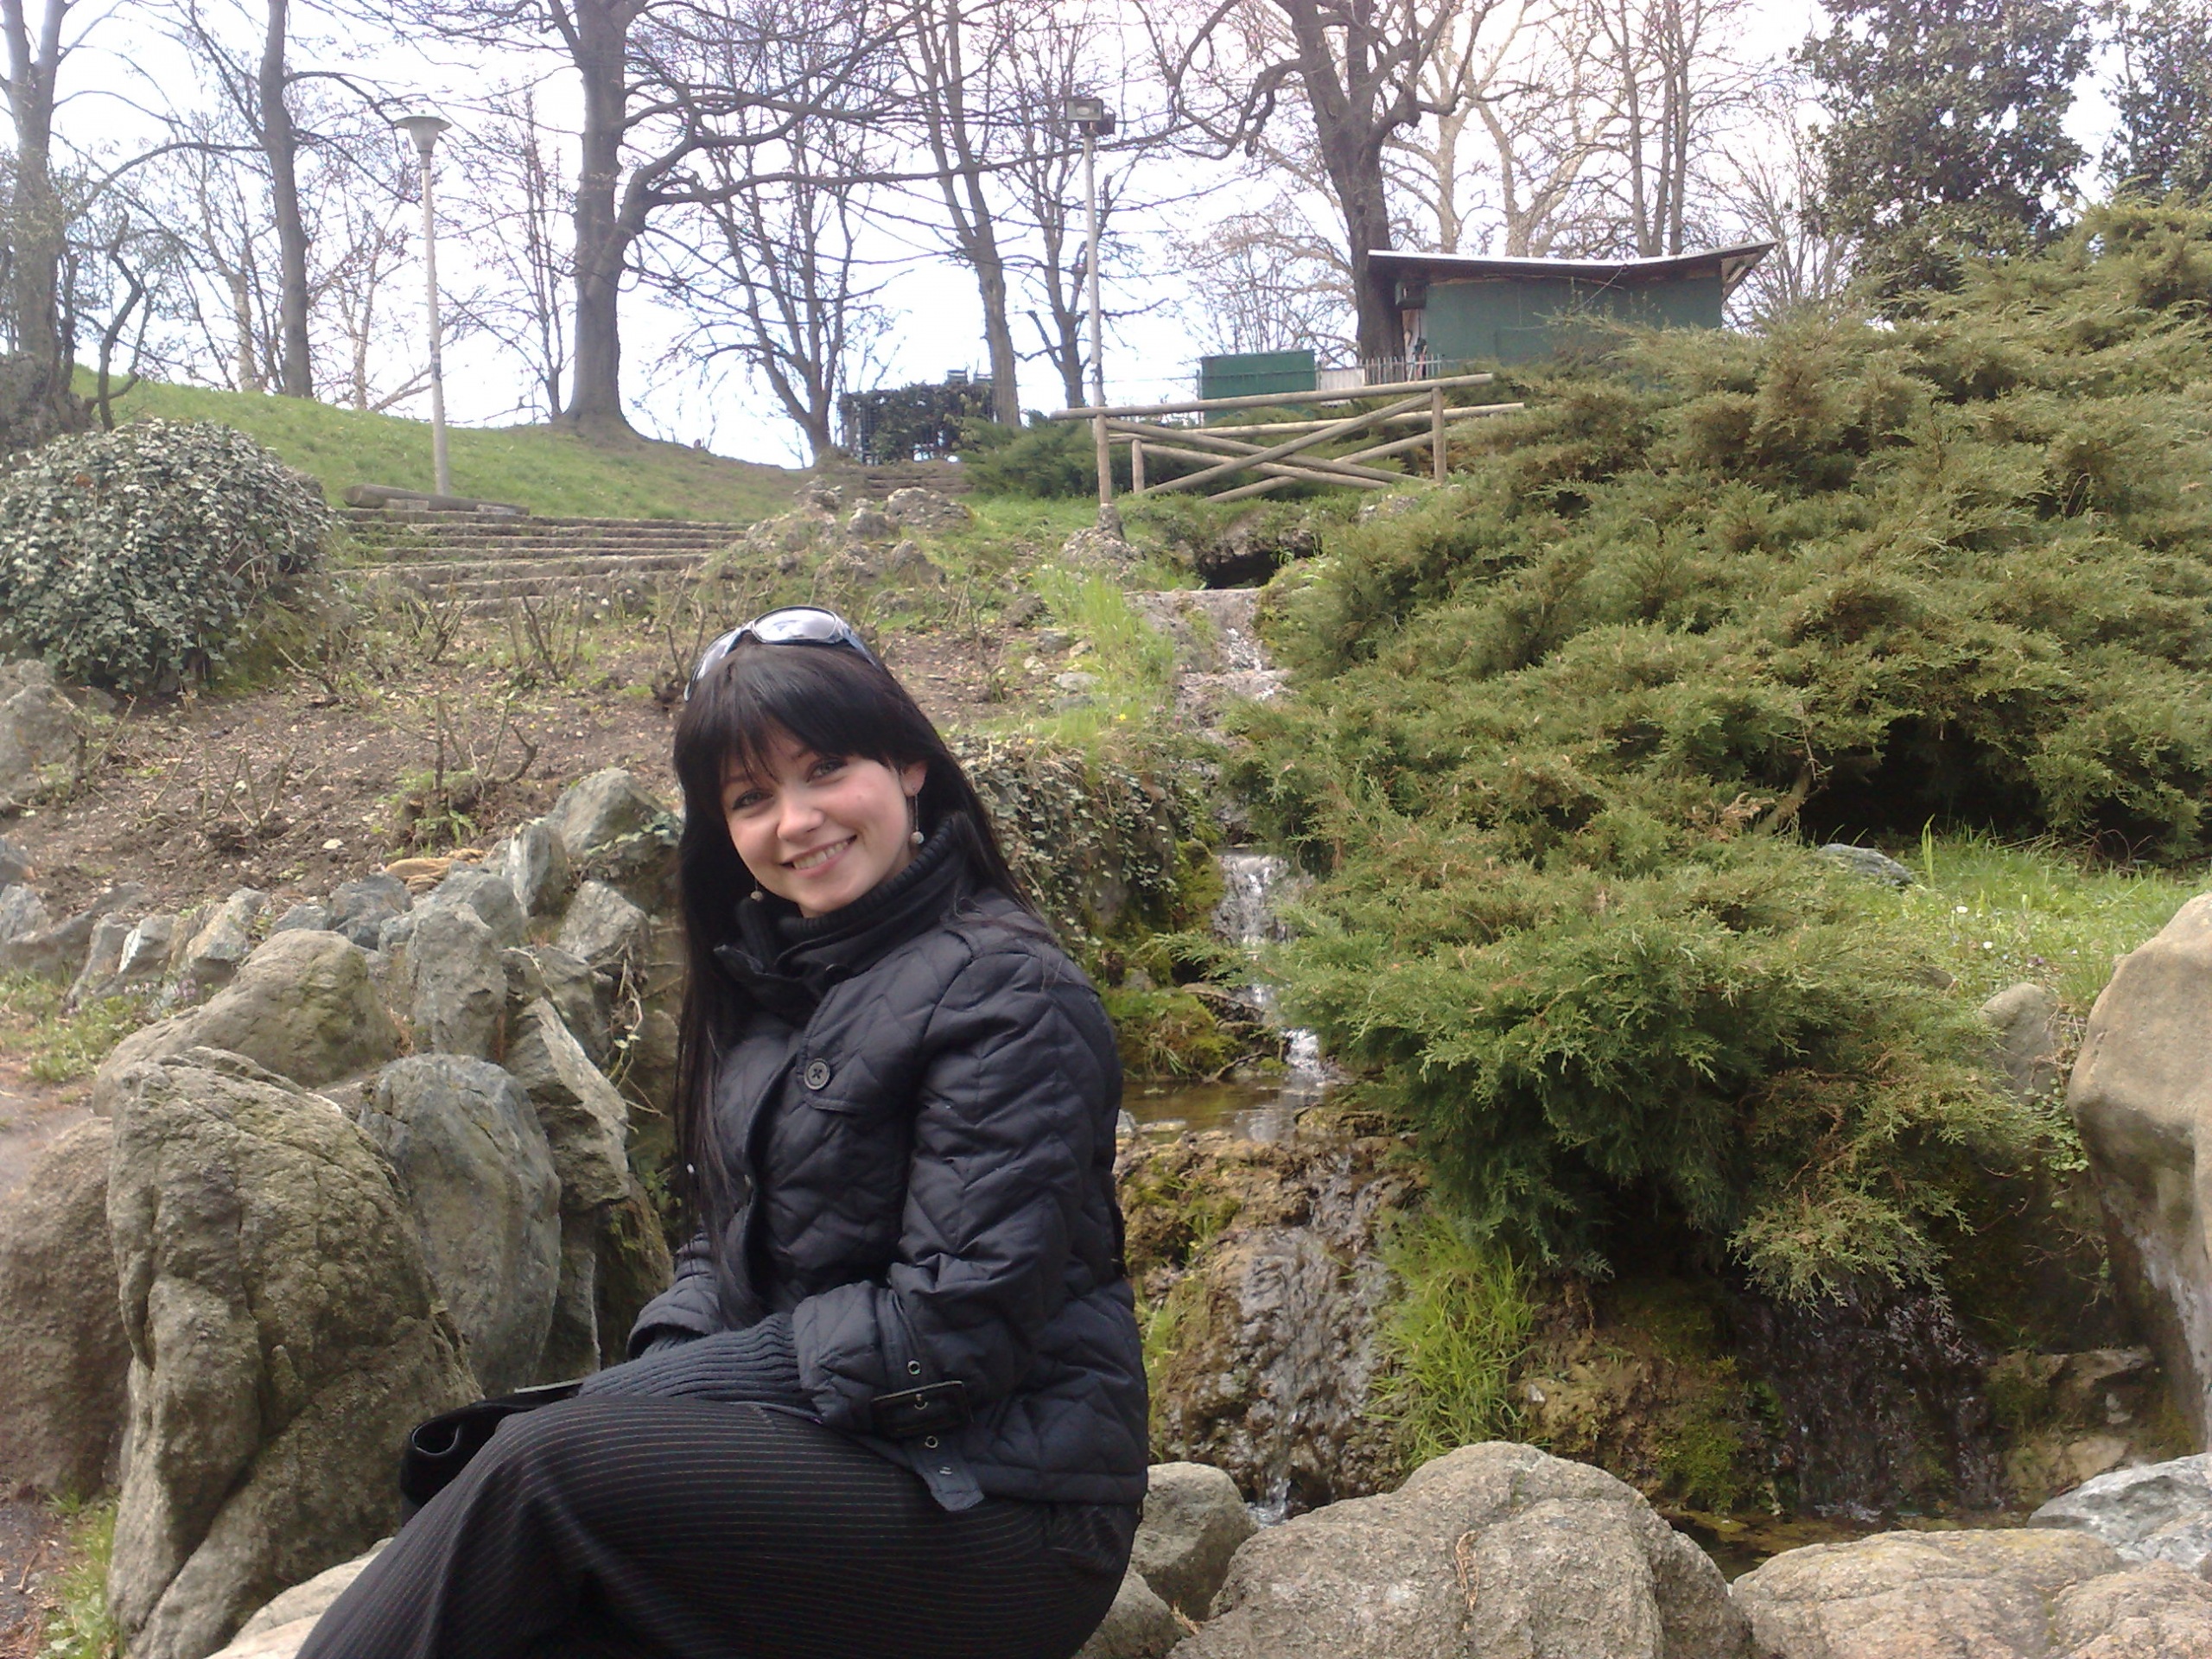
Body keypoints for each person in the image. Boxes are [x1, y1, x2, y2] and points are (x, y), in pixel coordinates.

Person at [297, 607, 1147, 1659]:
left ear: (909, 764)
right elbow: (720, 1241)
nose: (797, 821)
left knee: (539, 1473)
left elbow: (951, 1331)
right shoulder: (780, 980)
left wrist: (656, 1402)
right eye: (752, 798)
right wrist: (661, 1369)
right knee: (517, 1582)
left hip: (1004, 1511)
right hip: (835, 1458)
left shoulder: (1010, 992)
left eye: (825, 768)